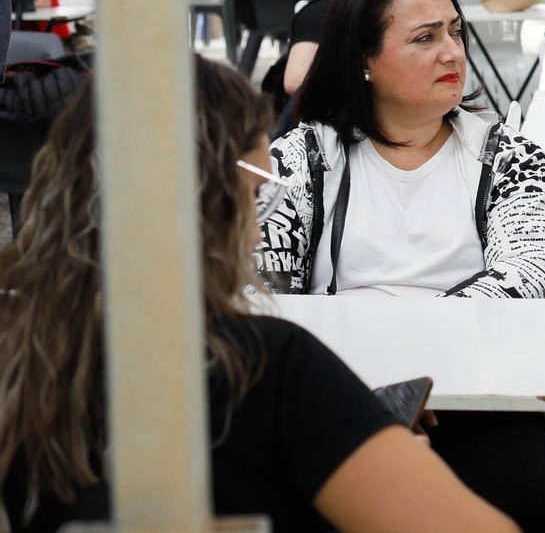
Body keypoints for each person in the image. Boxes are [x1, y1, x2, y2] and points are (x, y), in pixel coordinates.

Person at [0, 58, 517, 533]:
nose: (257, 232)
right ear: (210, 201)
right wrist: (394, 459)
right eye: (255, 195)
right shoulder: (263, 366)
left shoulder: (26, 351)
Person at [257, 0, 545, 528]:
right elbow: (256, 287)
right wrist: (373, 383)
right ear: (363, 60)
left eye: (455, 31)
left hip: (480, 391)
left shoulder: (511, 158)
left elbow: (526, 279)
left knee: (519, 499)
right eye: (425, 38)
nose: (453, 52)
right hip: (338, 386)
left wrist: (412, 376)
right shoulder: (299, 160)